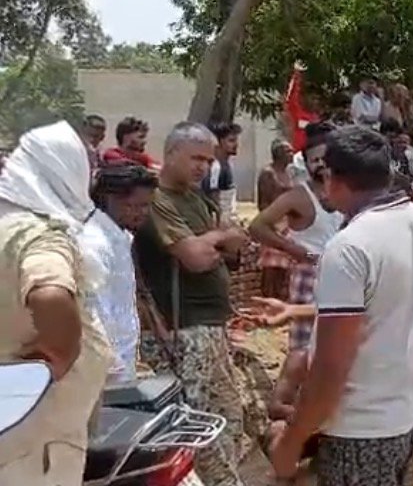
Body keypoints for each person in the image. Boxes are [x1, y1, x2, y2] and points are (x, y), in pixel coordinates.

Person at [269, 127, 413, 485]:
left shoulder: (349, 247)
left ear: (331, 178)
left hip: (357, 433)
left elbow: (331, 367)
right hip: (409, 419)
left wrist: (289, 446)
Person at [134, 122, 263, 486]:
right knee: (196, 425)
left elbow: (235, 245)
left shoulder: (197, 199)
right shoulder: (156, 201)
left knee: (227, 416)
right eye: (196, 159)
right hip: (182, 330)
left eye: (208, 160)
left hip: (212, 327)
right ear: (171, 153)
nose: (203, 167)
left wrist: (215, 241)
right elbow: (195, 257)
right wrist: (219, 239)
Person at [0, 121, 111, 485]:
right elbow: (49, 291)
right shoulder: (37, 233)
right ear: (68, 171)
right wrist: (61, 353)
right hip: (34, 450)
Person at [249, 128, 342, 374]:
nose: (320, 164)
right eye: (314, 160)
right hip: (308, 273)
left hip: (341, 271)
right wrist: (292, 249)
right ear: (307, 164)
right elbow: (257, 226)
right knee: (303, 345)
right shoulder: (298, 196)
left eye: (325, 158)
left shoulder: (346, 193)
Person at [80, 162, 157, 383]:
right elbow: (96, 313)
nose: (144, 213)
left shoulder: (121, 238)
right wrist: (113, 367)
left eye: (147, 206)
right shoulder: (94, 244)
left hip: (122, 363)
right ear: (110, 199)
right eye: (136, 205)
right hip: (105, 371)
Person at [258, 139, 297, 301]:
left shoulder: (290, 173)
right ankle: (267, 299)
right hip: (273, 224)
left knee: (284, 266)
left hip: (287, 223)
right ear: (277, 153)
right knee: (271, 266)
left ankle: (280, 300)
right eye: (288, 151)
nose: (292, 153)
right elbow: (263, 203)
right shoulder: (268, 174)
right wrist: (271, 226)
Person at [205, 122, 242, 221]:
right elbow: (213, 198)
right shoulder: (216, 167)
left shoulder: (225, 165)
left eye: (236, 140)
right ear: (219, 142)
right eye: (231, 141)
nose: (236, 145)